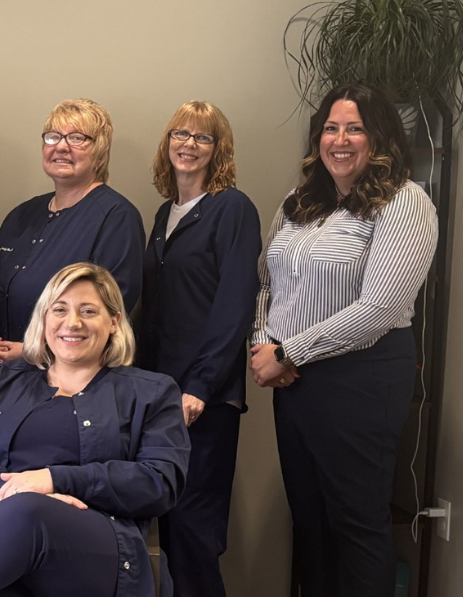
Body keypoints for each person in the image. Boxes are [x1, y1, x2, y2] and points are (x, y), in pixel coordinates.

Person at [250, 83, 437, 597]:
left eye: (355, 128)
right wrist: (264, 345)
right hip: (295, 381)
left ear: (380, 137)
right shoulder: (297, 202)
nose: (341, 139)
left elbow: (380, 309)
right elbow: (269, 281)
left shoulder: (405, 202)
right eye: (331, 127)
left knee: (356, 523)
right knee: (310, 521)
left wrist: (289, 351)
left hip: (362, 378)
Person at [0, 263, 189, 597]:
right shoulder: (5, 379)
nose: (73, 323)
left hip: (96, 546)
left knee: (27, 512)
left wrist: (51, 481)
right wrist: (2, 489)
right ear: (44, 320)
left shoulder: (152, 392)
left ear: (114, 322)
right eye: (60, 309)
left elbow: (160, 481)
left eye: (88, 311)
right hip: (0, 535)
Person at [135, 101, 261, 597]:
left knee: (194, 532)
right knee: (164, 528)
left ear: (218, 150)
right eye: (179, 134)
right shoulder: (165, 214)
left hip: (202, 401)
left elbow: (234, 307)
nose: (188, 144)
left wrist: (200, 387)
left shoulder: (233, 208)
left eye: (202, 137)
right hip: (160, 396)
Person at [0, 99, 144, 370]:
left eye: (77, 138)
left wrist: (33, 351)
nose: (61, 147)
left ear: (100, 151)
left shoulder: (116, 217)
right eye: (53, 137)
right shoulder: (21, 214)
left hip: (69, 380)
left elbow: (107, 315)